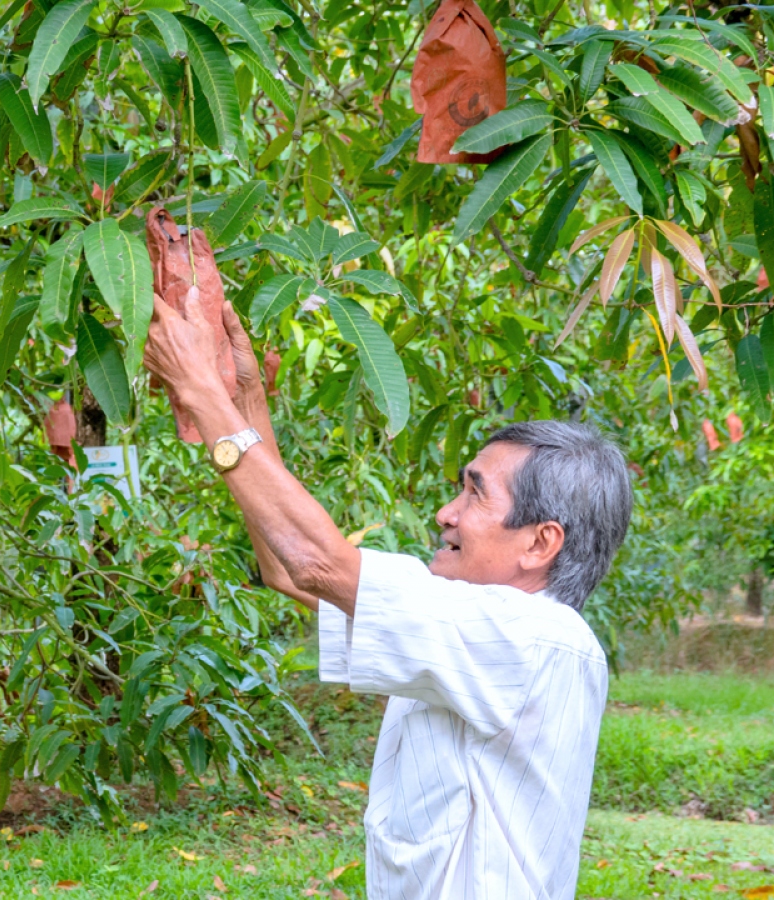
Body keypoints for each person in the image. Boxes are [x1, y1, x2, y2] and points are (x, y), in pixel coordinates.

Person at [142, 287, 632, 899]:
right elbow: (290, 571)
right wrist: (244, 400)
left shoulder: (532, 639)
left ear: (540, 544)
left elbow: (318, 562)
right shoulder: (476, 626)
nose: (445, 513)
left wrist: (199, 391)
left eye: (475, 494)